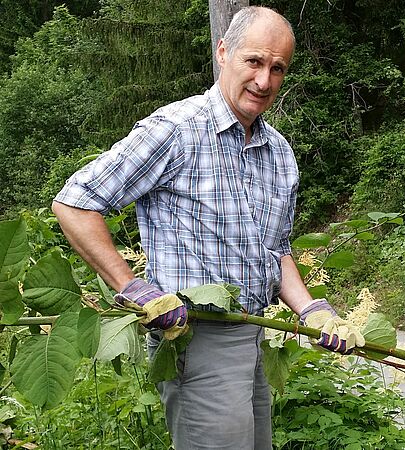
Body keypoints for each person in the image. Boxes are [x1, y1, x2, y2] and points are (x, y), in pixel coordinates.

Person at [52, 6, 364, 449]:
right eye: (254, 62)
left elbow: (275, 250)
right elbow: (76, 202)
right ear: (223, 52)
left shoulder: (279, 153)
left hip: (251, 333)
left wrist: (311, 309)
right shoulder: (176, 130)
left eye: (278, 69)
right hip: (196, 340)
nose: (264, 81)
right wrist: (130, 286)